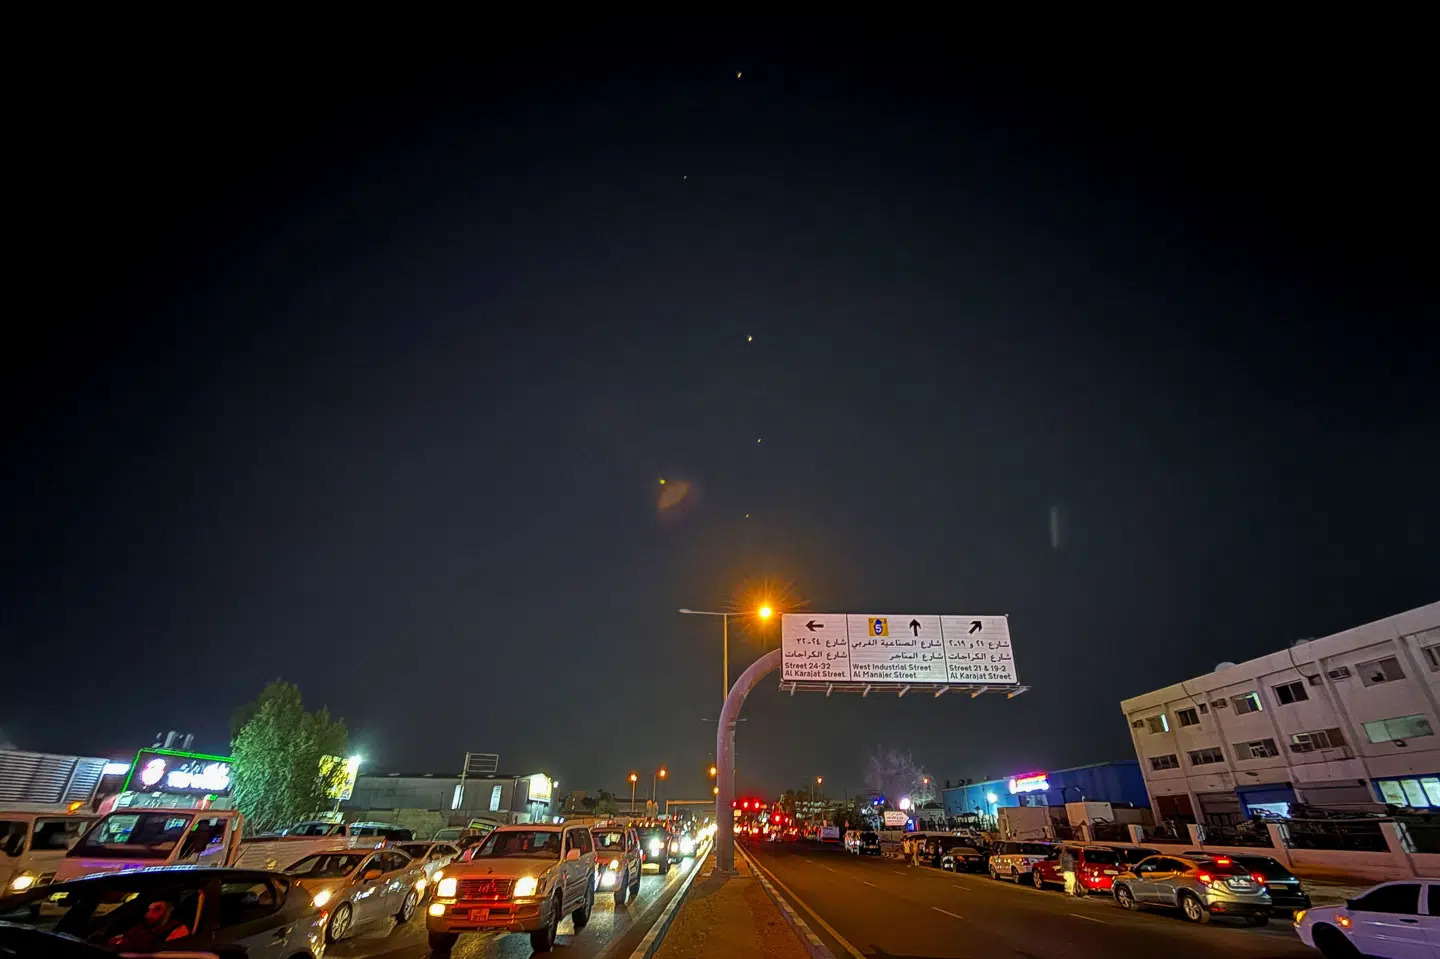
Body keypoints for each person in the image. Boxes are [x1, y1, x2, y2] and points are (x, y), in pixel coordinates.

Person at [109, 900, 191, 950]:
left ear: (169, 912)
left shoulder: (179, 930)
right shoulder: (141, 928)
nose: (149, 914)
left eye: (157, 909)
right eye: (149, 910)